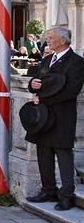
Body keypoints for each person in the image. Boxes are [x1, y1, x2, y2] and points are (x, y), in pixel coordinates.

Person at [25, 27, 84, 211]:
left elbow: (71, 90)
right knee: (44, 153)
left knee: (63, 154)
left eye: (51, 37)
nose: (47, 40)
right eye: (47, 37)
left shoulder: (77, 62)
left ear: (63, 40)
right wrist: (32, 85)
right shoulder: (47, 59)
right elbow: (36, 80)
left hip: (62, 116)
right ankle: (48, 190)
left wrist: (43, 97)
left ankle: (67, 195)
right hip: (43, 117)